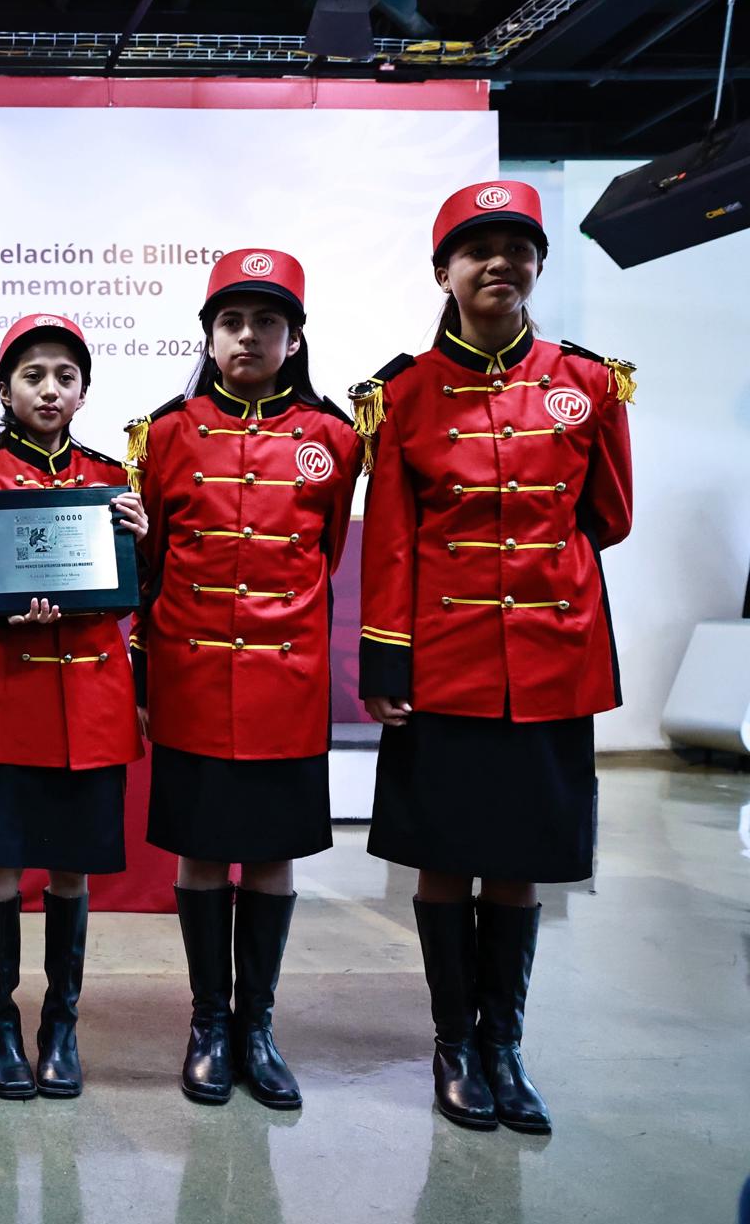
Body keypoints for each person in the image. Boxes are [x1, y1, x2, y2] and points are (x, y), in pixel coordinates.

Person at [354, 180, 633, 1133]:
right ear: (445, 271)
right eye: (477, 249)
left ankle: (504, 1046)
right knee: (444, 859)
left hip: (549, 663)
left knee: (518, 863)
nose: (499, 263)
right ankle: (452, 1044)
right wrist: (386, 663)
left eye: (517, 247)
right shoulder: (401, 396)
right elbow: (389, 540)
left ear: (537, 266)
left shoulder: (589, 381)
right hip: (445, 663)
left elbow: (611, 516)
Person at [123, 250, 361, 1110]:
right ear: (209, 336)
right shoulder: (165, 433)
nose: (249, 335)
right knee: (200, 855)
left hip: (285, 685)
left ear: (294, 338)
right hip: (189, 679)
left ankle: (256, 1027)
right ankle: (206, 1024)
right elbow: (147, 569)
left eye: (267, 321)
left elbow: (324, 555)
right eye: (233, 321)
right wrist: (147, 677)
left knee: (269, 861)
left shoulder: (336, 439)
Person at [0, 313, 147, 1100]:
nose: (49, 389)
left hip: (89, 708)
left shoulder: (113, 480)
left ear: (84, 389)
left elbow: (137, 593)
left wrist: (141, 538)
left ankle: (62, 1023)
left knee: (69, 874)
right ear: (3, 389)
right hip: (7, 701)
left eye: (64, 376)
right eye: (32, 376)